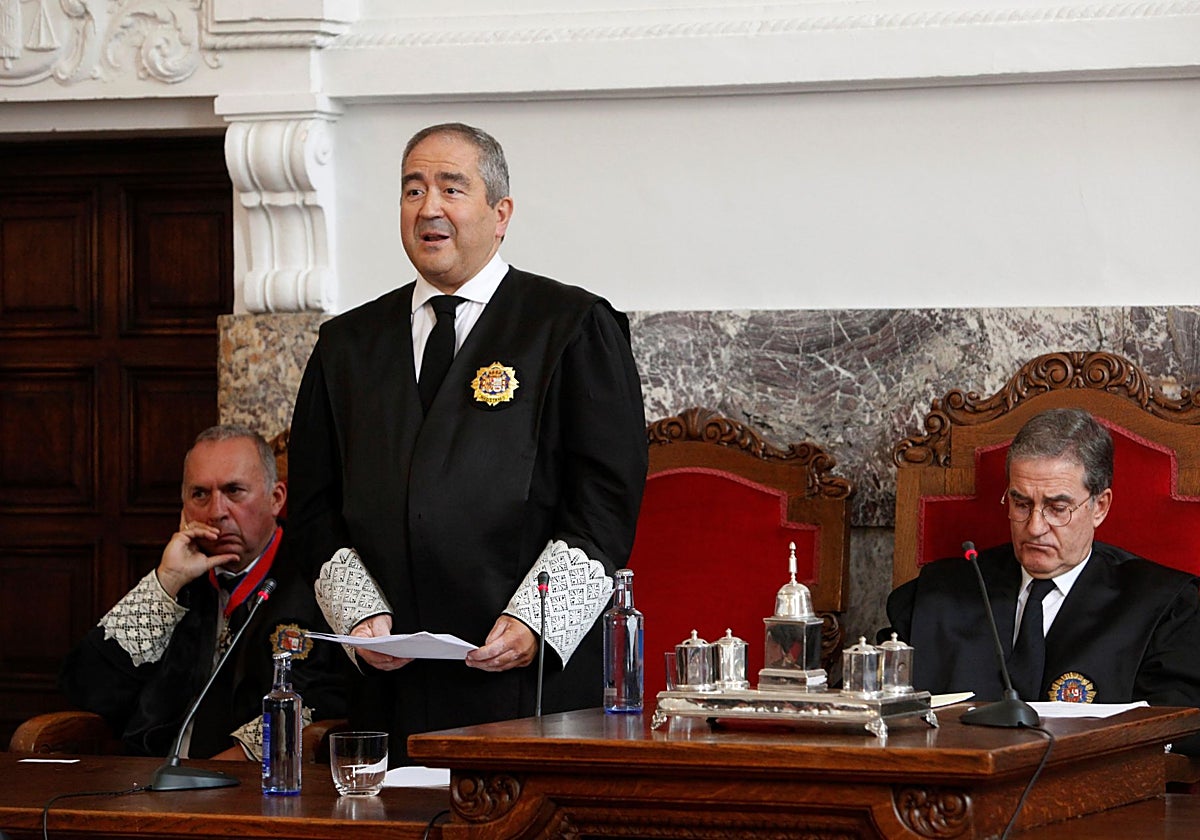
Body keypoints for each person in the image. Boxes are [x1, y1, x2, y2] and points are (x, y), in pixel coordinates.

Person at [284, 122, 647, 762]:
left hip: (527, 679)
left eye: (453, 188)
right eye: (413, 190)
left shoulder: (569, 325)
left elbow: (604, 502)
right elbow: (314, 506)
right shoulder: (348, 346)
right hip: (390, 684)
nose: (429, 208)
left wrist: (539, 621)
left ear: (500, 213)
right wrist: (355, 612)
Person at [887, 407, 1200, 750]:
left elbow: (1180, 734)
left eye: (1057, 508)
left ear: (1100, 507)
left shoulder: (1164, 605)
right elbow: (872, 701)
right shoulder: (942, 591)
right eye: (1021, 504)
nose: (1035, 527)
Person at [60, 425, 349, 759]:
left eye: (234, 491)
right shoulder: (178, 580)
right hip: (146, 780)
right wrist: (165, 582)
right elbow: (86, 689)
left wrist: (221, 773)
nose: (216, 511)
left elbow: (322, 700)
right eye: (200, 494)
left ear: (276, 498)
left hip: (249, 792)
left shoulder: (318, 580)